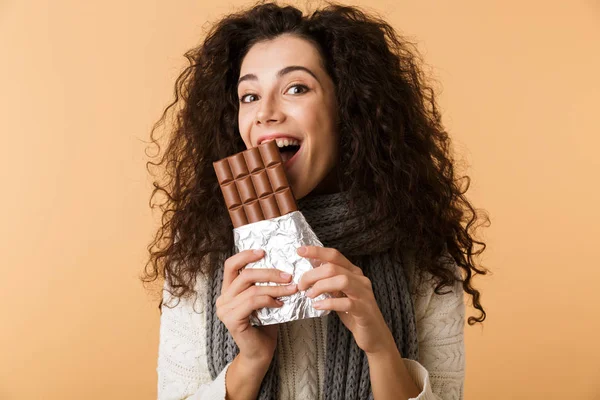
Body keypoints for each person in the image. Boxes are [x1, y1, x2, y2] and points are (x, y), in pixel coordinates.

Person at [142, 2, 490, 399]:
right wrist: (250, 362)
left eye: (296, 88)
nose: (265, 114)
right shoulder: (200, 260)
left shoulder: (423, 254)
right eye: (249, 96)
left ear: (347, 108)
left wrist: (379, 346)